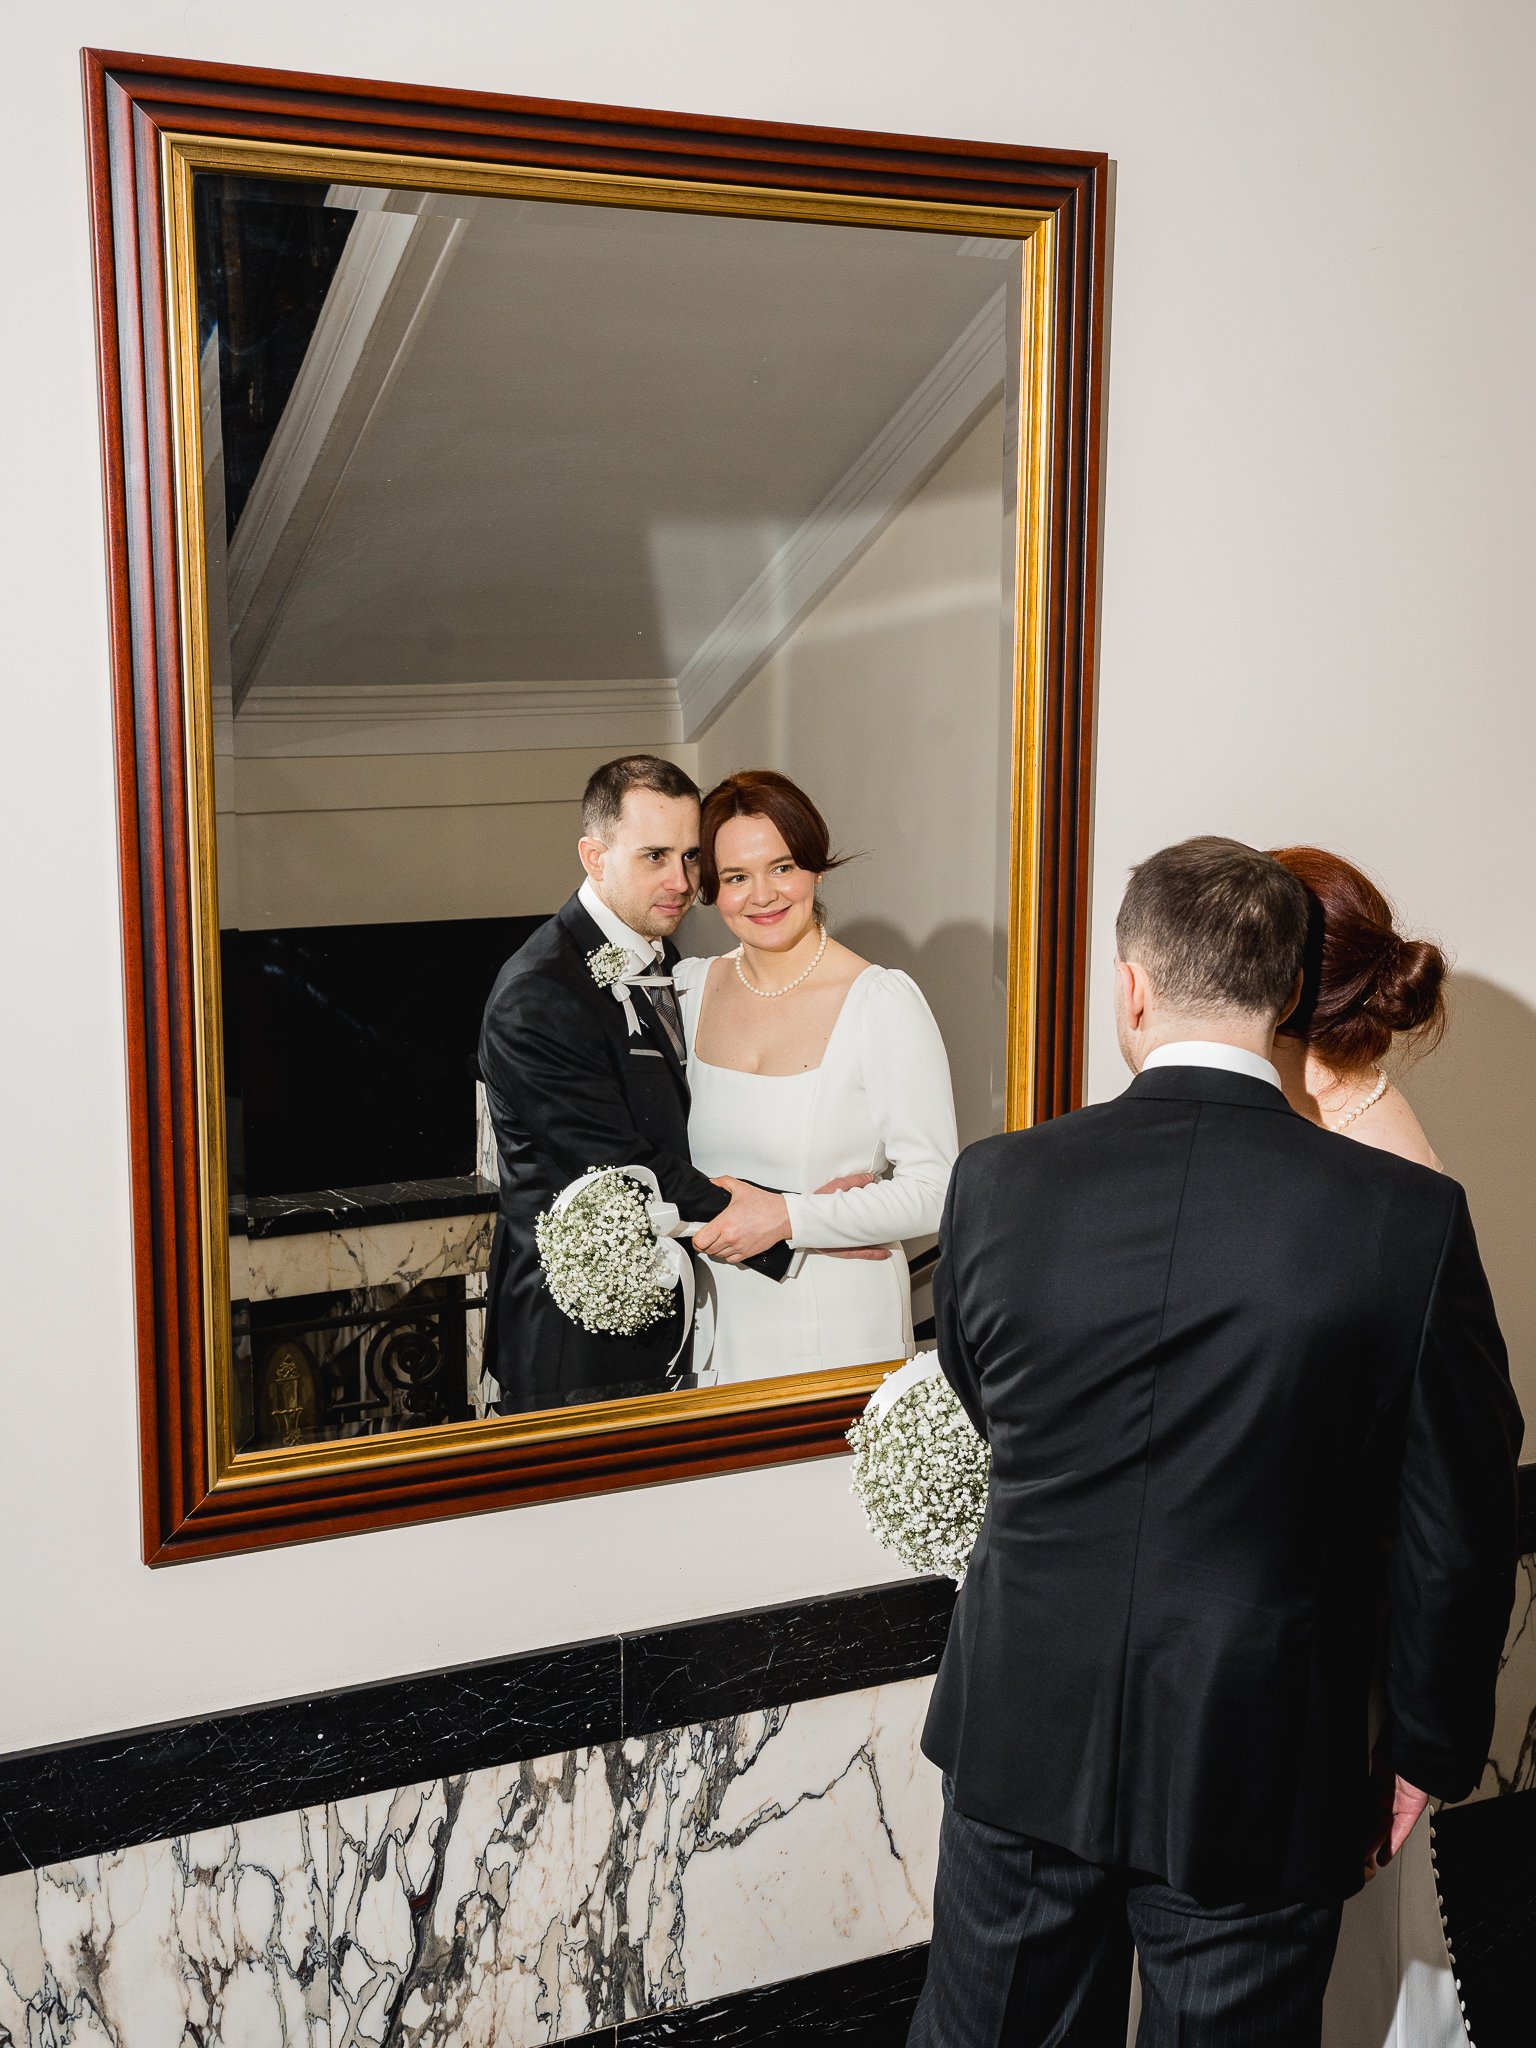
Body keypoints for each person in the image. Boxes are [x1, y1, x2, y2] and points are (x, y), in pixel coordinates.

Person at [909, 836, 1521, 2048]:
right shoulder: (1407, 1218)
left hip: (1024, 1720)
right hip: (1266, 1749)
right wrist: (1431, 1747)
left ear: (1130, 986)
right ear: (1289, 994)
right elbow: (1462, 1513)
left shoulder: (995, 1182)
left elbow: (991, 1407)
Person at [1267, 846, 1463, 2045]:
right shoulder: (1317, 1129)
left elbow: (1440, 1477)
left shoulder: (1380, 1170)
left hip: (1342, 1652)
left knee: (1327, 1978)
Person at [477, 755, 790, 1412]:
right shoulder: (537, 994)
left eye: (690, 857)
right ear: (594, 857)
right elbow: (626, 1169)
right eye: (654, 857)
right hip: (575, 1343)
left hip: (660, 1321)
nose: (680, 882)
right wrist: (802, 1223)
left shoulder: (651, 948)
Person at [675, 770, 958, 1382]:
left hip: (839, 1324)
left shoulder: (881, 1001)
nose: (763, 895)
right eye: (736, 878)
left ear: (815, 868)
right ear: (711, 890)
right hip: (716, 1321)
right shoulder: (688, 991)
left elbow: (937, 1190)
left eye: (782, 867)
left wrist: (792, 1218)